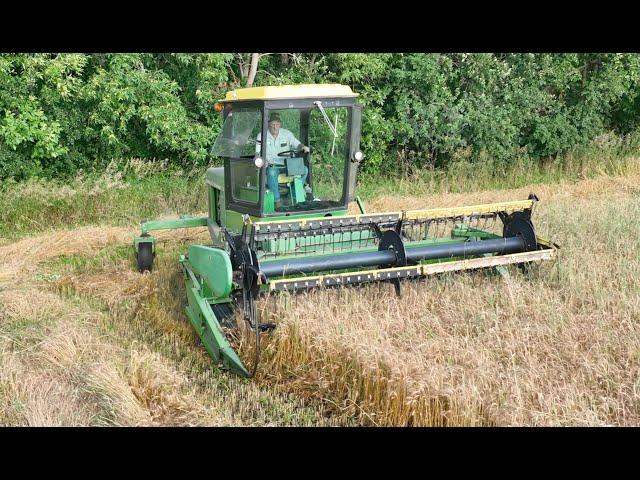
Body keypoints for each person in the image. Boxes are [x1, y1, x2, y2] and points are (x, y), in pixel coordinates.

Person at [257, 112, 310, 206]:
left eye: (277, 124)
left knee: (304, 170)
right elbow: (257, 153)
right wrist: (262, 161)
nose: (275, 127)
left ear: (280, 125)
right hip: (271, 165)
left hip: (287, 165)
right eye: (273, 124)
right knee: (272, 172)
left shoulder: (287, 134)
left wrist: (303, 147)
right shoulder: (261, 135)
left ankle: (292, 197)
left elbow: (297, 144)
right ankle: (277, 201)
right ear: (268, 125)